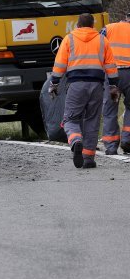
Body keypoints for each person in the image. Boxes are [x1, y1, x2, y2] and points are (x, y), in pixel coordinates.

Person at [49, 13, 119, 169]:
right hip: (97, 86)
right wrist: (113, 86)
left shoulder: (69, 39)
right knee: (92, 121)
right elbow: (111, 67)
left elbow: (60, 64)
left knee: (71, 119)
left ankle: (75, 140)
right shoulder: (102, 40)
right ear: (93, 26)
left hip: (76, 85)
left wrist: (54, 83)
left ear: (78, 25)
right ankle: (88, 158)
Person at [100, 12, 130, 155]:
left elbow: (98, 46)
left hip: (112, 74)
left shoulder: (109, 28)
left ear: (125, 18)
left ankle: (111, 146)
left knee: (110, 110)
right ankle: (127, 140)